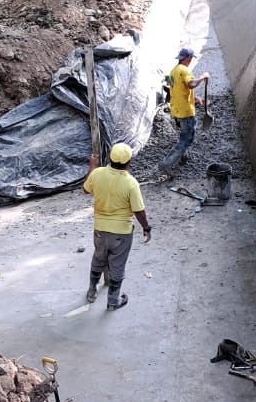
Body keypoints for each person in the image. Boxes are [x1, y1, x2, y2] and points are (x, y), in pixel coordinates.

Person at [82, 141, 151, 310]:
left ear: (111, 157)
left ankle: (92, 291)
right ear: (128, 162)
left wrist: (92, 166)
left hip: (99, 229)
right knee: (117, 265)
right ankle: (113, 301)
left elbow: (86, 190)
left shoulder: (97, 174)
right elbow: (138, 211)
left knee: (98, 258)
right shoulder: (131, 183)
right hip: (121, 232)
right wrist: (146, 227)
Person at [160, 46, 209, 174]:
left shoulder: (173, 71)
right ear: (188, 58)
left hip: (175, 111)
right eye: (191, 58)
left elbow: (177, 91)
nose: (191, 60)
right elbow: (191, 84)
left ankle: (183, 157)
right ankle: (167, 163)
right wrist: (203, 77)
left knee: (183, 133)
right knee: (187, 138)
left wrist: (197, 99)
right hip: (185, 112)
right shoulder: (185, 70)